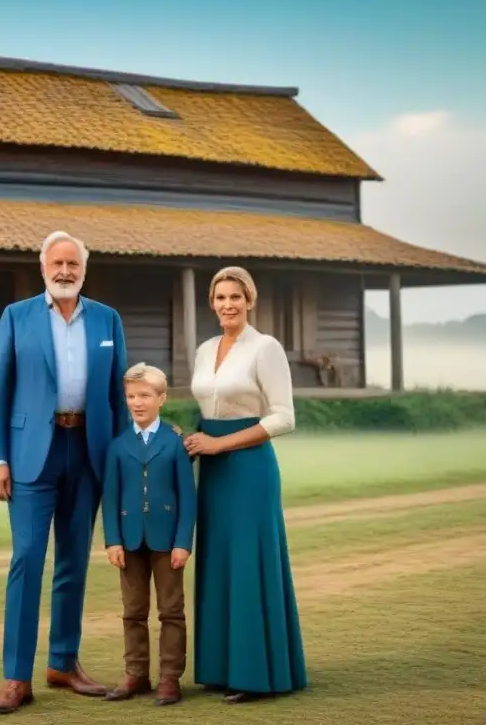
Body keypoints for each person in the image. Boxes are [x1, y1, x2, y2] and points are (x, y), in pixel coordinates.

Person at [0, 230, 130, 715]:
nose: (65, 271)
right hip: (30, 455)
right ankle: (15, 677)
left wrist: (125, 458)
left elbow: (117, 396)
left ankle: (63, 663)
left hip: (88, 452)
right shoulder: (17, 316)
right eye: (58, 263)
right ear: (42, 266)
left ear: (84, 270)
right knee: (27, 559)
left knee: (73, 563)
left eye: (74, 265)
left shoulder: (108, 319)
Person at [182, 265, 308, 704]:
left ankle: (257, 675)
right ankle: (220, 668)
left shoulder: (265, 348)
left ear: (249, 301)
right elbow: (206, 410)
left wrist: (220, 444)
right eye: (220, 298)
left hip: (250, 467)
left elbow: (283, 417)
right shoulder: (204, 350)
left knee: (249, 563)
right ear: (212, 303)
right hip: (213, 471)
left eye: (235, 297)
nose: (227, 304)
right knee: (218, 562)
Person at [101, 362, 197, 707]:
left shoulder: (175, 443)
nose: (137, 402)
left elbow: (188, 497)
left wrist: (183, 542)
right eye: (131, 396)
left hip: (167, 540)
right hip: (128, 540)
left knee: (171, 610)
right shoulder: (117, 446)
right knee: (133, 611)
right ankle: (136, 673)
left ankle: (170, 677)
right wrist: (112, 540)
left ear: (162, 398)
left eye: (144, 395)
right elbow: (109, 498)